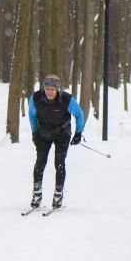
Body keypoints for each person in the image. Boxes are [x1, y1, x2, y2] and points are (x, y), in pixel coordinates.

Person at [28, 74, 86, 209]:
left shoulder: (67, 100)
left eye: (52, 89)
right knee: (40, 162)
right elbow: (31, 114)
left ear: (57, 90)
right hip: (43, 132)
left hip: (62, 133)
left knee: (59, 162)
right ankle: (37, 194)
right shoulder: (36, 98)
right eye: (47, 88)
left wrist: (78, 133)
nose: (49, 92)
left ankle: (58, 194)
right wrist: (34, 132)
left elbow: (79, 115)